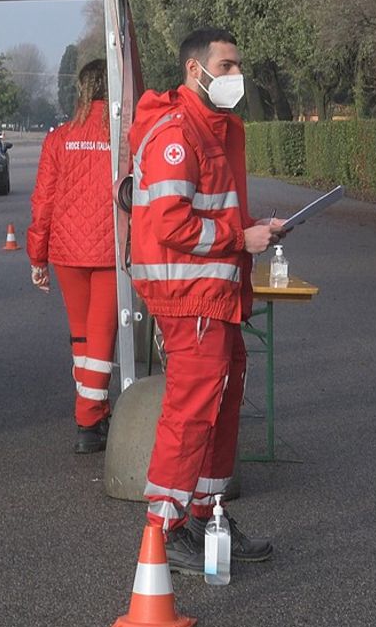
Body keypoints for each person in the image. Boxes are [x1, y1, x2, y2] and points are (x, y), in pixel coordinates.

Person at [127, 28, 284, 573]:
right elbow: (170, 223)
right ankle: (165, 529)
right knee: (191, 411)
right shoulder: (178, 131)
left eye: (238, 65)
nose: (237, 75)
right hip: (189, 296)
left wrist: (255, 228)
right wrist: (241, 237)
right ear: (195, 70)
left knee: (220, 402)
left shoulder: (212, 126)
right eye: (227, 65)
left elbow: (208, 212)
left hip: (213, 294)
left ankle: (207, 518)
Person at [27, 59, 119, 454]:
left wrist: (37, 257)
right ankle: (88, 421)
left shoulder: (59, 139)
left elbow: (43, 202)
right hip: (110, 249)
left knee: (81, 335)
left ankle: (93, 410)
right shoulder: (124, 138)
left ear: (81, 89)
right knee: (102, 336)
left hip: (66, 251)